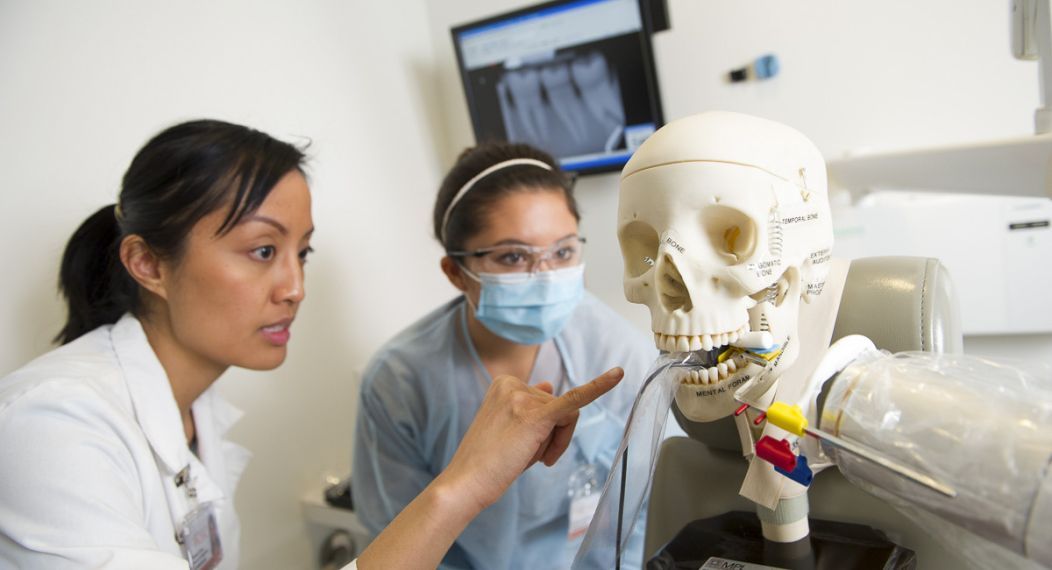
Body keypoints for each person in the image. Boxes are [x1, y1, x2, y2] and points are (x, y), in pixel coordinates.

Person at [0, 119, 629, 570]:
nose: (296, 287)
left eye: (302, 253)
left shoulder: (198, 419)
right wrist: (464, 484)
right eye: (264, 250)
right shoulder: (52, 423)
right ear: (148, 264)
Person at [352, 142, 657, 569]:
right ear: (456, 272)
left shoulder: (617, 351)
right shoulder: (400, 382)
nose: (548, 277)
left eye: (564, 251)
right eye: (514, 256)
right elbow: (398, 537)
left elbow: (645, 507)